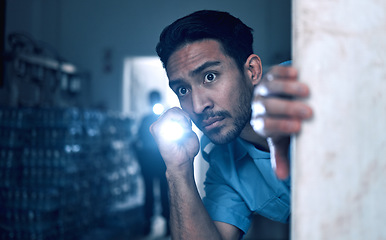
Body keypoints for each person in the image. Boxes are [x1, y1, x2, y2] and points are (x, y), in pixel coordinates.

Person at [150, 10, 313, 239]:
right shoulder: (224, 164)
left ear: (252, 70)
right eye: (183, 90)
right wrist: (178, 170)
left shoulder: (314, 85)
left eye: (210, 76)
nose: (197, 106)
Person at [135, 90, 170, 236]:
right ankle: (148, 221)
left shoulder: (165, 119)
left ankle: (168, 222)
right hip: (148, 163)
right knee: (148, 193)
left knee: (164, 193)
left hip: (161, 162)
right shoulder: (145, 120)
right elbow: (137, 142)